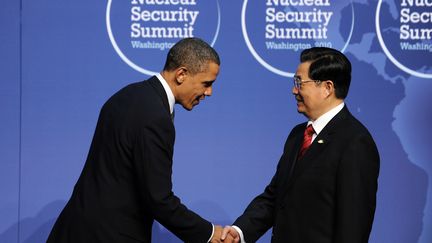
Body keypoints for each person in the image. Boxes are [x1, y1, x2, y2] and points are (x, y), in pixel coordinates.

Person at [47, 37, 223, 243]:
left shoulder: (125, 95)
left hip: (74, 230)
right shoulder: (156, 117)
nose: (209, 92)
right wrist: (210, 233)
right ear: (181, 74)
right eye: (206, 83)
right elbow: (158, 199)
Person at [222, 47, 380, 243]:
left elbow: (353, 226)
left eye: (299, 82)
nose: (294, 90)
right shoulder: (298, 135)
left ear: (327, 88)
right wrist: (240, 231)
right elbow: (276, 197)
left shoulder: (355, 142)